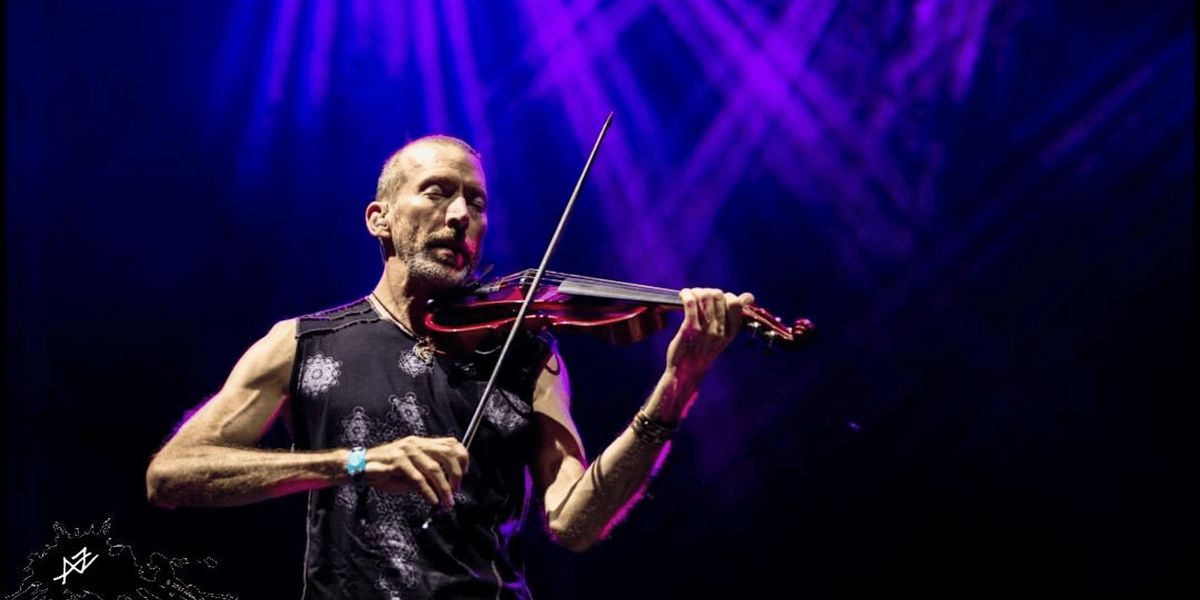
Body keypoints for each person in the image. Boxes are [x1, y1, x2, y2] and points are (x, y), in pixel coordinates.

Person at [145, 135, 755, 599]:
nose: (461, 214)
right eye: (437, 192)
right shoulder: (303, 343)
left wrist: (676, 388)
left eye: (476, 201)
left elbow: (574, 522)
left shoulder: (528, 355)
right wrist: (352, 463)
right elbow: (171, 475)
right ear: (379, 218)